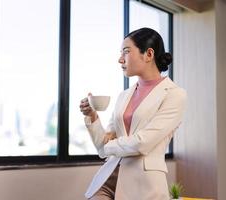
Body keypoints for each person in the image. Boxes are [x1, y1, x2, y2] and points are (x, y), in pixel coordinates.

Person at [79, 27, 187, 200]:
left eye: (126, 52)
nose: (120, 59)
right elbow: (102, 147)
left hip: (143, 185)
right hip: (109, 179)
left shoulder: (174, 94)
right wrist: (92, 116)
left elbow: (143, 143)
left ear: (148, 54)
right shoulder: (124, 96)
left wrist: (109, 147)